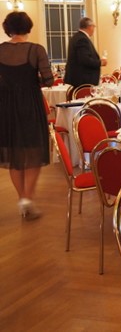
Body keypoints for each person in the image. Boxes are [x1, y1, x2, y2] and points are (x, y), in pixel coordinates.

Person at [0, 11, 54, 220]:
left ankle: (22, 197)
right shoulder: (36, 49)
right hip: (30, 104)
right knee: (33, 151)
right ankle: (27, 198)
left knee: (14, 154)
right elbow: (48, 80)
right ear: (28, 27)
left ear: (8, 28)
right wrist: (30, 82)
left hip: (6, 106)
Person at [64, 17, 107, 88]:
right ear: (89, 27)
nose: (94, 29)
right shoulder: (82, 39)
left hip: (79, 79)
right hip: (84, 80)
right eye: (93, 26)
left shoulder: (76, 37)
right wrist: (100, 62)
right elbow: (85, 60)